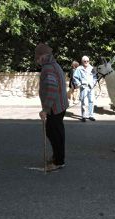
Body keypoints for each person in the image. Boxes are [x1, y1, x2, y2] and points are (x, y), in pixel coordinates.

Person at [35, 43, 69, 172]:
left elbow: (52, 88)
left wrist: (45, 109)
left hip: (54, 107)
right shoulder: (54, 65)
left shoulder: (48, 68)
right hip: (60, 106)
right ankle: (57, 157)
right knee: (55, 132)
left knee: (54, 133)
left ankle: (58, 161)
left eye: (38, 58)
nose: (37, 61)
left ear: (43, 56)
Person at [73, 56, 97, 122]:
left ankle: (91, 115)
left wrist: (93, 84)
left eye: (87, 61)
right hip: (83, 87)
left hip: (91, 87)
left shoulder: (92, 68)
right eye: (85, 61)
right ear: (82, 62)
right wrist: (79, 84)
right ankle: (84, 116)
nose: (86, 62)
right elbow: (75, 77)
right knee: (84, 101)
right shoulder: (79, 69)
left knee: (91, 101)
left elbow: (95, 77)